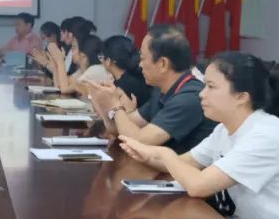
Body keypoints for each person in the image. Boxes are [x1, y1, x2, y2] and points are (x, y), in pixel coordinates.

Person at [119, 52, 279, 219]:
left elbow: (198, 186)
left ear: (241, 97)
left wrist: (164, 154)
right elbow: (184, 164)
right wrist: (147, 155)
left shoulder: (264, 136)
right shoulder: (225, 128)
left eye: (211, 87)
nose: (202, 94)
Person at [90, 24, 216, 153]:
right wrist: (105, 102)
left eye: (143, 59)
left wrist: (115, 105)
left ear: (163, 64)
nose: (140, 64)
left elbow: (140, 141)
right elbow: (119, 128)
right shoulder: (161, 90)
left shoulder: (189, 97)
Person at [101, 35, 152, 107]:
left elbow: (109, 111)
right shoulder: (135, 76)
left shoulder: (124, 86)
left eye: (102, 57)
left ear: (108, 61)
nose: (101, 61)